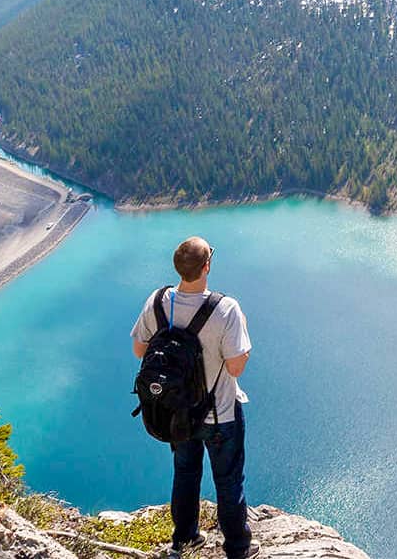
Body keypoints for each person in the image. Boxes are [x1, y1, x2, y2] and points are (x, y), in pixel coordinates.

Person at [131, 236, 253, 558]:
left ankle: (184, 540)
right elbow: (236, 367)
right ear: (207, 266)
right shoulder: (226, 309)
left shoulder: (157, 302)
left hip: (177, 411)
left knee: (185, 473)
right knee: (228, 481)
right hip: (219, 415)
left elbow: (139, 350)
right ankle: (238, 548)